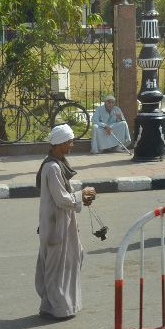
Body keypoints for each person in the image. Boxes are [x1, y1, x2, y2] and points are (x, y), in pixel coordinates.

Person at [35, 125, 96, 319]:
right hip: (56, 225)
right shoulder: (52, 167)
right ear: (60, 143)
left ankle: (51, 306)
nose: (72, 144)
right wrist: (82, 194)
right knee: (58, 267)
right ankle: (60, 308)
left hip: (61, 222)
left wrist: (79, 198)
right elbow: (61, 199)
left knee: (71, 259)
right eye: (69, 141)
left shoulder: (57, 164)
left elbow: (63, 196)